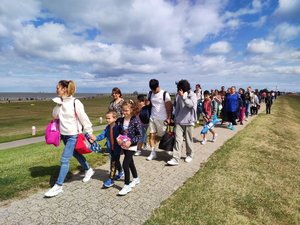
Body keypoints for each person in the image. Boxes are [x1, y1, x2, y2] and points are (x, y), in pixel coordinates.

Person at [44, 80, 96, 198]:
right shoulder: (60, 102)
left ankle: (58, 186)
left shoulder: (75, 102)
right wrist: (58, 104)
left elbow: (84, 118)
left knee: (64, 159)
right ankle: (88, 169)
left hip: (73, 135)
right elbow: (55, 115)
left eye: (58, 87)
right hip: (63, 135)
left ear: (64, 89)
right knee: (76, 154)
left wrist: (89, 132)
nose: (56, 89)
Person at [167, 80, 197, 166]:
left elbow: (191, 105)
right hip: (179, 122)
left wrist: (184, 97)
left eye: (179, 89)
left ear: (183, 88)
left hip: (189, 122)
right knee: (178, 140)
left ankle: (189, 155)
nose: (178, 90)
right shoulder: (178, 95)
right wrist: (175, 118)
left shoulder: (192, 95)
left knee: (188, 140)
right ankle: (176, 158)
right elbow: (177, 108)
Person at [116, 101, 142, 195]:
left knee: (125, 165)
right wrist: (118, 139)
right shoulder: (121, 120)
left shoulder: (135, 120)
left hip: (132, 146)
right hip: (124, 145)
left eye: (126, 110)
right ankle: (136, 178)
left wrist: (131, 141)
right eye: (123, 110)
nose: (124, 112)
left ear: (132, 110)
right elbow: (119, 132)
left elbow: (139, 135)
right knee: (130, 162)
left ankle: (126, 186)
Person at [95, 110, 123, 188]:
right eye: (106, 118)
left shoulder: (118, 128)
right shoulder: (107, 128)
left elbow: (123, 136)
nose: (107, 120)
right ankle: (120, 172)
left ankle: (111, 180)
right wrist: (95, 138)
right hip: (111, 149)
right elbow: (102, 135)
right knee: (116, 161)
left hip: (117, 149)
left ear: (115, 118)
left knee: (113, 164)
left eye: (109, 118)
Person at [146, 79, 173, 161]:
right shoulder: (150, 93)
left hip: (162, 119)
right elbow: (149, 103)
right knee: (152, 135)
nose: (154, 91)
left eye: (155, 89)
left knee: (164, 136)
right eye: (152, 90)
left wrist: (168, 118)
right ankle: (153, 152)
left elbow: (169, 107)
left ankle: (169, 149)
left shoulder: (165, 94)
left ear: (158, 86)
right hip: (152, 117)